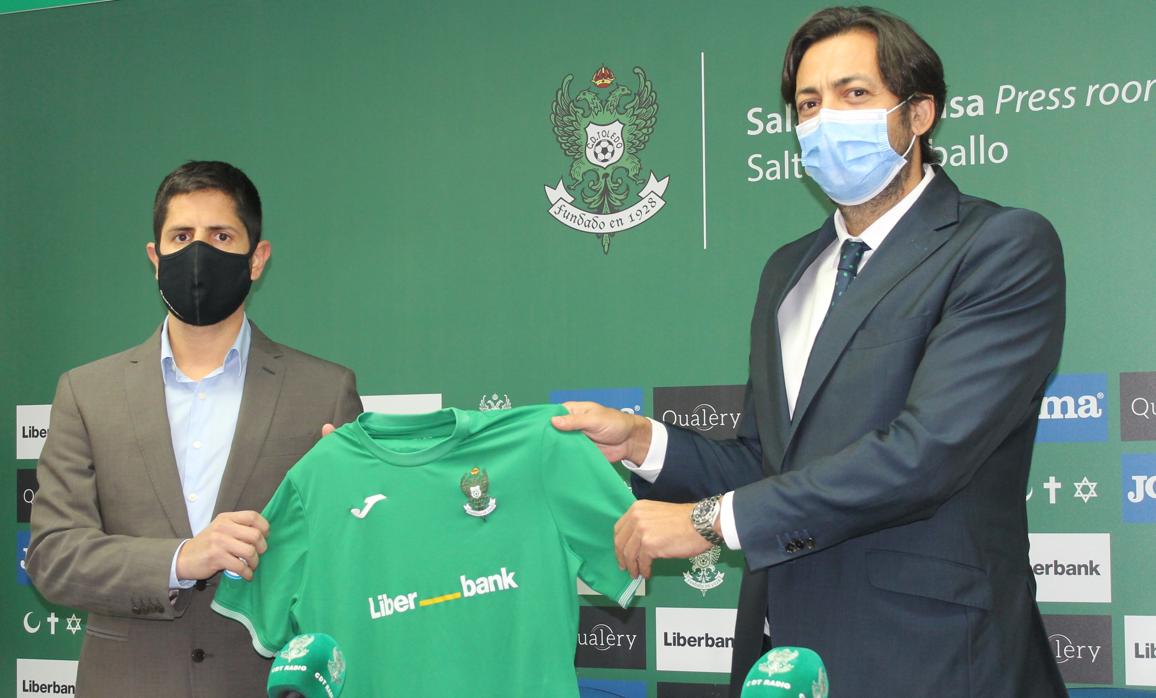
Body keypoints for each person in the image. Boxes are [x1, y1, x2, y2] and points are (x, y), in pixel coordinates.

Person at [553, 7, 1067, 697]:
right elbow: (769, 461)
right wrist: (645, 442)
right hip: (783, 654)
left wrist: (711, 522)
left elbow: (928, 452)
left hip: (933, 657)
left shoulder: (999, 247)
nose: (827, 120)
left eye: (855, 94)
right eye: (808, 103)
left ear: (919, 114)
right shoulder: (789, 270)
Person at [26, 161, 363, 697]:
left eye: (221, 236)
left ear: (257, 259)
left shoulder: (324, 391)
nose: (199, 253)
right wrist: (183, 558)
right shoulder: (86, 393)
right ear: (154, 258)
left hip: (268, 684)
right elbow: (53, 554)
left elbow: (356, 559)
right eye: (181, 236)